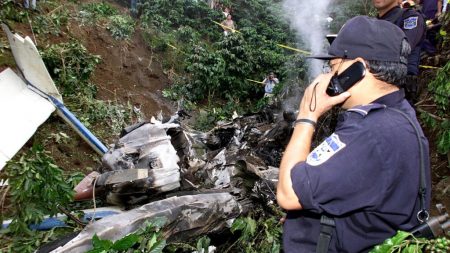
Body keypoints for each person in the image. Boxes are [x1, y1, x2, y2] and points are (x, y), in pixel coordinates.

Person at [277, 16, 430, 252]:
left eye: (334, 67)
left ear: (359, 68)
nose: (328, 77)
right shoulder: (396, 113)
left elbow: (288, 193)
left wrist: (307, 116)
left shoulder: (373, 133)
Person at [373, 0, 426, 104]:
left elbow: (403, 47)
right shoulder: (371, 23)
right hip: (369, 87)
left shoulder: (409, 17)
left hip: (397, 89)